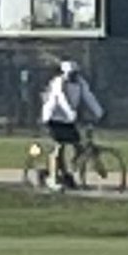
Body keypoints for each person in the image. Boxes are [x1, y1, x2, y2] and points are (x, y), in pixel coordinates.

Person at [40, 59, 104, 190]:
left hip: (68, 119)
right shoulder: (58, 82)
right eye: (70, 73)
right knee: (58, 147)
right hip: (53, 118)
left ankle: (65, 174)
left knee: (77, 146)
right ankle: (52, 179)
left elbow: (88, 97)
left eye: (75, 73)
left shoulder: (80, 83)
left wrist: (99, 112)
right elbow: (61, 97)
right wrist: (70, 112)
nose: (73, 76)